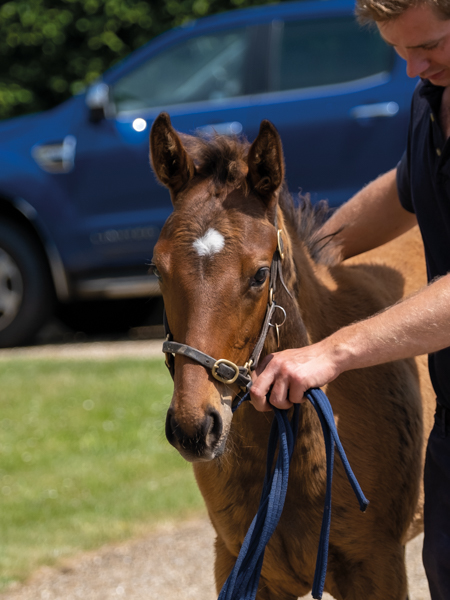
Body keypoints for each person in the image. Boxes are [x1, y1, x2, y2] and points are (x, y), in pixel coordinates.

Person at [249, 1, 450, 598]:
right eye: (398, 50)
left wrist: (331, 353)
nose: (413, 68)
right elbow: (406, 185)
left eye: (430, 45)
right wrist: (307, 259)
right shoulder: (433, 102)